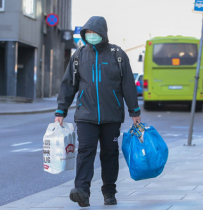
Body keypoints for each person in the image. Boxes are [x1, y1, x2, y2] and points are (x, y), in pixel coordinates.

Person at [54, 16, 141, 207]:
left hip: (112, 116)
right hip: (86, 115)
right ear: (84, 34)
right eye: (88, 33)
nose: (91, 36)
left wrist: (134, 111)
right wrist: (61, 110)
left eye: (94, 32)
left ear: (103, 33)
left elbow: (128, 85)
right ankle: (82, 190)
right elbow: (69, 84)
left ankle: (109, 192)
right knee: (85, 151)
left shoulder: (117, 54)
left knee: (110, 153)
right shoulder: (79, 56)